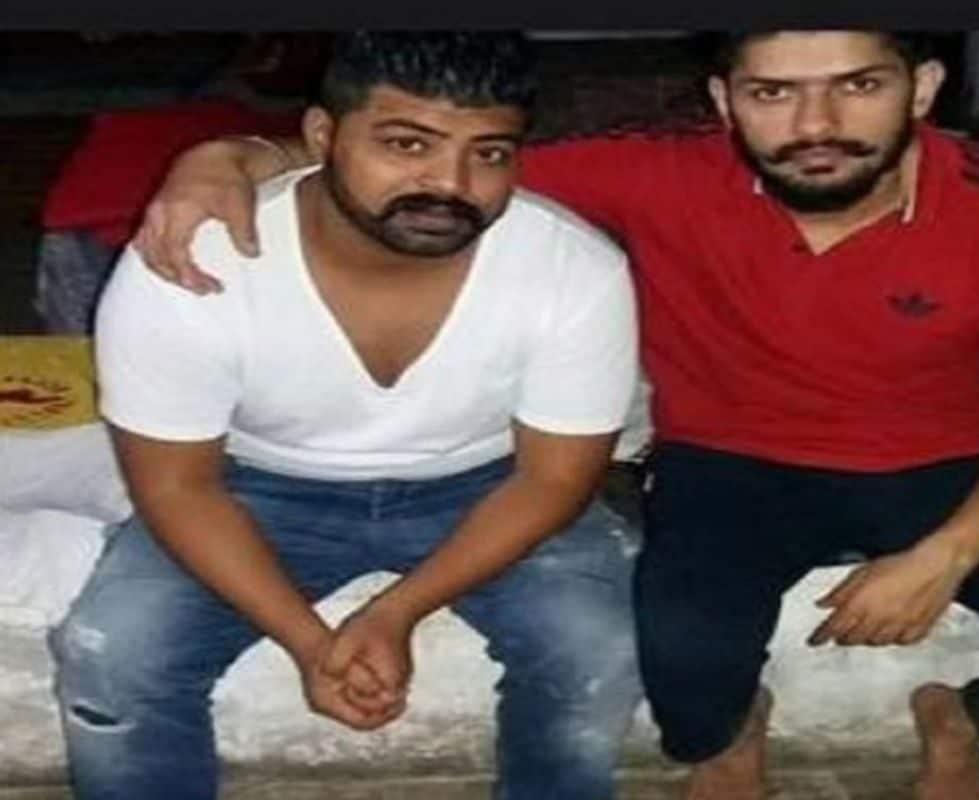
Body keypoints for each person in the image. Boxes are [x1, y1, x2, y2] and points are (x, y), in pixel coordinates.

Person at [133, 30, 979, 800]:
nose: (815, 125)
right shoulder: (655, 174)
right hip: (729, 458)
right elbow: (431, 157)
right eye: (774, 92)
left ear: (920, 87)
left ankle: (968, 721)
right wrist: (223, 157)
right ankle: (732, 733)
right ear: (725, 98)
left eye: (857, 86)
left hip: (950, 459)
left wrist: (945, 554)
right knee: (681, 664)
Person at [50, 31, 643, 800]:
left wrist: (394, 615)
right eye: (406, 144)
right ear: (323, 136)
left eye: (489, 153)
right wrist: (309, 643)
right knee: (115, 658)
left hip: (490, 484)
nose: (450, 183)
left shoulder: (572, 269)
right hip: (249, 486)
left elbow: (554, 481)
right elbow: (177, 488)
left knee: (599, 645)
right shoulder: (195, 260)